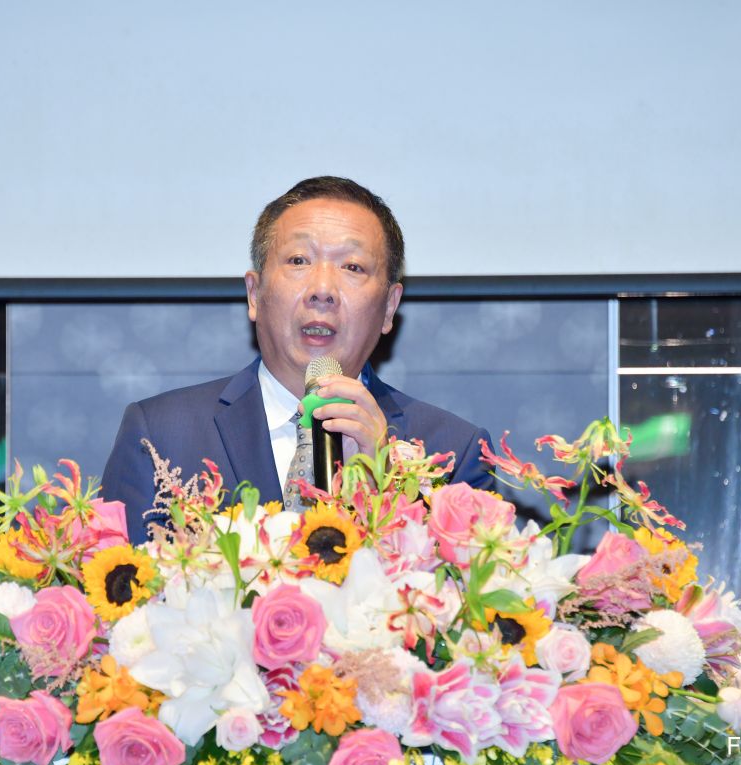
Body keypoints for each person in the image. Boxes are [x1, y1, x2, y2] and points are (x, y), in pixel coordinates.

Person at [102, 176, 493, 540]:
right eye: (299, 261)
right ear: (254, 294)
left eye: (353, 267)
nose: (322, 289)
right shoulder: (161, 436)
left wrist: (386, 480)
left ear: (390, 307)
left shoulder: (453, 454)